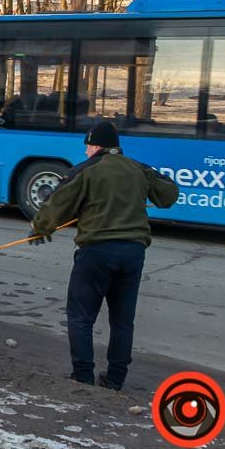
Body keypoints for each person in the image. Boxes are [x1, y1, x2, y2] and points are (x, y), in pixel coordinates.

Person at [29, 120, 179, 391]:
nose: (86, 152)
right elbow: (168, 196)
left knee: (80, 316)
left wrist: (40, 228)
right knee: (122, 320)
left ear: (96, 146)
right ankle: (115, 379)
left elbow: (59, 202)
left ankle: (83, 375)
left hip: (97, 251)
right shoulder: (138, 168)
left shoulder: (86, 170)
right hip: (133, 252)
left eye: (88, 147)